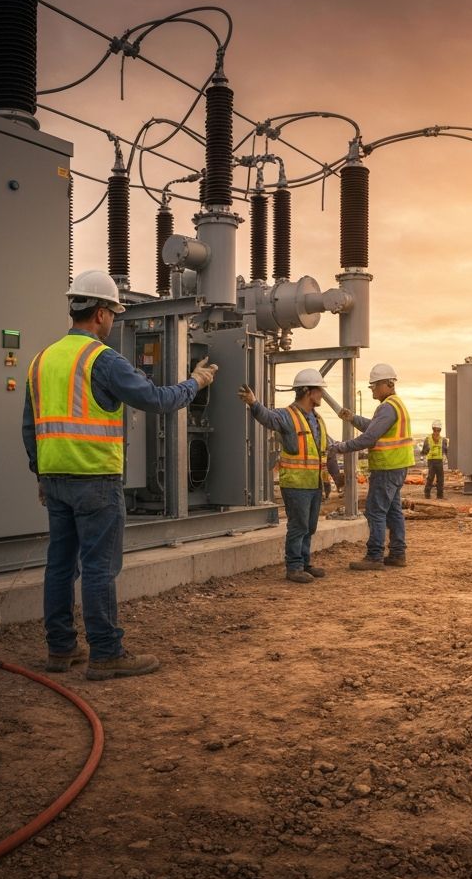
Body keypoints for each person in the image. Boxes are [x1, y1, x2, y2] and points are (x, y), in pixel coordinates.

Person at [23, 269, 217, 680]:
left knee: (60, 565)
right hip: (95, 478)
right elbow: (158, 400)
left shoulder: (42, 360)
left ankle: (60, 649)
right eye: (113, 311)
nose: (113, 320)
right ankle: (107, 653)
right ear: (100, 313)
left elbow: (30, 425)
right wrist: (196, 382)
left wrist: (41, 474)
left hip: (55, 479)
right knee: (98, 568)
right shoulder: (102, 359)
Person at [238, 368, 342, 584]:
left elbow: (324, 451)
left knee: (310, 526)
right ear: (307, 391)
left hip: (313, 484)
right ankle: (294, 566)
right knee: (298, 525)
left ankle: (304, 563)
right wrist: (254, 403)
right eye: (319, 390)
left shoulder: (318, 419)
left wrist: (327, 480)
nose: (322, 394)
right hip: (295, 484)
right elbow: (267, 418)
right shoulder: (287, 416)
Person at [328, 363, 414, 571]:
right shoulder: (396, 405)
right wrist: (352, 418)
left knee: (375, 511)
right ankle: (397, 553)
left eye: (375, 386)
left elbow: (369, 437)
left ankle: (374, 556)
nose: (373, 389)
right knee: (393, 511)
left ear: (388, 384)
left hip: (387, 468)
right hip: (397, 466)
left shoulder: (387, 407)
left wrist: (341, 447)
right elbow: (374, 427)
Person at [421, 421, 448, 499]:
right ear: (433, 429)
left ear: (440, 430)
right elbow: (424, 451)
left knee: (440, 479)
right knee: (430, 477)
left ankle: (440, 495)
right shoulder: (428, 439)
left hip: (439, 461)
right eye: (435, 430)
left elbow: (446, 451)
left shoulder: (443, 440)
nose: (436, 432)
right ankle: (427, 494)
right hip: (431, 461)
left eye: (438, 430)